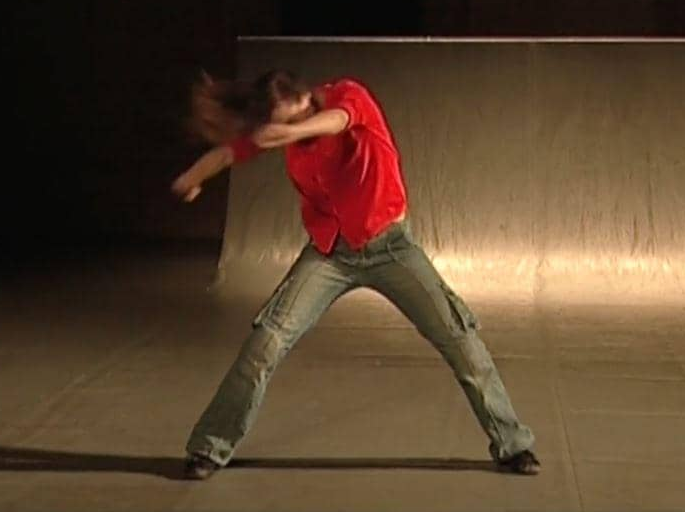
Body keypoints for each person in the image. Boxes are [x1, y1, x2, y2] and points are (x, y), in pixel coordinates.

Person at [171, 69, 539, 479]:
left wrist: (282, 132)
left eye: (296, 118)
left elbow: (336, 121)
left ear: (306, 99)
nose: (292, 130)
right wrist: (193, 179)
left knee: (459, 337)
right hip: (330, 254)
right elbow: (225, 154)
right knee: (266, 342)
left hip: (392, 248)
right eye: (283, 123)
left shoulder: (348, 97)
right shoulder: (273, 128)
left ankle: (513, 444)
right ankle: (210, 447)